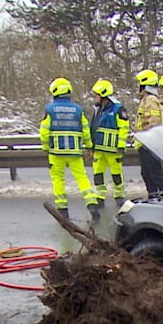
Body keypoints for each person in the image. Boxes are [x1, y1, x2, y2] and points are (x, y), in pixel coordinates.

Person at [39, 77, 100, 220]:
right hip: (75, 151)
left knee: (58, 179)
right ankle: (91, 203)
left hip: (56, 152)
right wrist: (89, 146)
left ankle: (63, 210)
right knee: (82, 177)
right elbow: (85, 129)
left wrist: (46, 146)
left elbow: (44, 131)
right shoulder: (78, 109)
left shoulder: (49, 109)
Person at [89, 79, 130, 207]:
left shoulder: (118, 109)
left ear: (103, 95)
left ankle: (119, 195)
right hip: (99, 149)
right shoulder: (97, 109)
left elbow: (124, 128)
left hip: (113, 150)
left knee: (116, 174)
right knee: (98, 174)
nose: (94, 97)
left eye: (96, 95)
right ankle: (99, 196)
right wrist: (90, 147)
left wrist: (121, 146)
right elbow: (93, 128)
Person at [133, 68, 163, 196]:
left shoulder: (150, 100)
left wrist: (148, 139)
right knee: (147, 173)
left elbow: (154, 122)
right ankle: (154, 197)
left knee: (155, 174)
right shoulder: (146, 99)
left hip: (148, 144)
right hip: (144, 143)